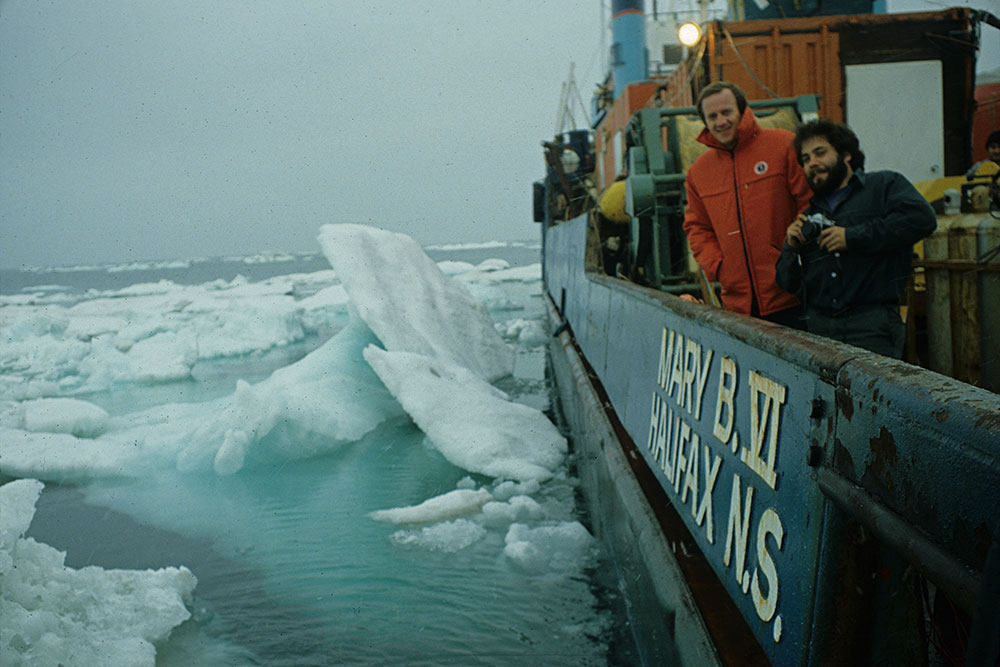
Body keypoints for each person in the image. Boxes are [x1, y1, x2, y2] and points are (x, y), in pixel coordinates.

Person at [775, 119, 937, 358]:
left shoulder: (883, 185)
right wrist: (791, 246)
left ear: (846, 155)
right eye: (806, 159)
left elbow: (922, 219)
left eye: (820, 153)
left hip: (872, 327)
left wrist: (851, 237)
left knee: (873, 395)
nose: (812, 164)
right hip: (819, 330)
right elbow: (786, 283)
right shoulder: (809, 216)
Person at [682, 81, 812, 328]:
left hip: (792, 295)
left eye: (727, 112)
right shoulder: (698, 172)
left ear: (742, 110)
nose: (721, 122)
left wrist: (794, 256)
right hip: (738, 304)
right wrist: (718, 267)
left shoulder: (784, 145)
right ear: (704, 121)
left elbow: (809, 203)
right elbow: (696, 228)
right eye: (712, 116)